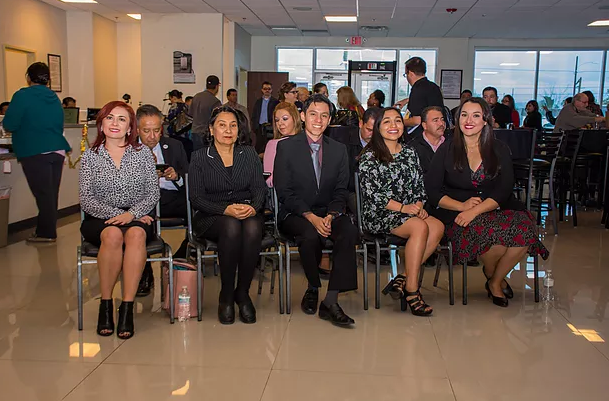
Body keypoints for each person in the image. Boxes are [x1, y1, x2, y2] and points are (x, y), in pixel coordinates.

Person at [425, 97, 549, 307]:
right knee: (491, 236)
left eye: (476, 115)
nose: (469, 120)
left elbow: (504, 188)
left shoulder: (499, 148)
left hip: (496, 206)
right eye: (464, 115)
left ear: (486, 120)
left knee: (525, 231)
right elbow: (433, 191)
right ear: (457, 120)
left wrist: (476, 210)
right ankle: (496, 279)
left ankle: (494, 281)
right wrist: (462, 207)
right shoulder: (446, 150)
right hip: (457, 212)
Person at [274, 94, 358, 327]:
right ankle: (312, 286)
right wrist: (310, 216)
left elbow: (342, 189)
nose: (318, 120)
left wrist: (330, 215)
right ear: (302, 116)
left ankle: (331, 300)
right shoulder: (286, 148)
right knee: (309, 235)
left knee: (349, 232)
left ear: (330, 119)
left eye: (324, 115)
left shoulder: (339, 150)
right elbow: (284, 191)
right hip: (296, 212)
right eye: (313, 114)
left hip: (328, 211)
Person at [79, 100, 160, 338]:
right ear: (101, 124)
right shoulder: (91, 156)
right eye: (110, 118)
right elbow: (86, 198)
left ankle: (126, 307)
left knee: (136, 234)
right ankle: (106, 304)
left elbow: (152, 192)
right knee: (113, 234)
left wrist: (132, 214)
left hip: (137, 214)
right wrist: (118, 215)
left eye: (122, 119)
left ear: (130, 127)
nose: (115, 123)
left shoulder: (142, 153)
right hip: (100, 217)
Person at [359, 107, 444, 316]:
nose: (393, 126)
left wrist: (419, 206)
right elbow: (373, 195)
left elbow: (419, 186)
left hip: (408, 211)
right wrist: (406, 209)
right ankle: (413, 290)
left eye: (397, 121)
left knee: (437, 226)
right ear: (378, 127)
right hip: (379, 212)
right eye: (386, 122)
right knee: (420, 227)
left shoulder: (409, 152)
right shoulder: (369, 156)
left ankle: (403, 277)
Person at [189, 106, 266, 324]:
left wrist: (253, 207)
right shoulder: (199, 157)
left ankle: (242, 293)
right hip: (211, 215)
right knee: (231, 226)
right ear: (211, 130)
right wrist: (225, 210)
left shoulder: (249, 154)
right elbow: (196, 198)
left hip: (246, 210)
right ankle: (226, 294)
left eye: (233, 125)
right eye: (222, 125)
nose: (228, 130)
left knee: (252, 227)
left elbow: (260, 190)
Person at [2, 62, 71, 242]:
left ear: (28, 77)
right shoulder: (54, 97)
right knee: (49, 193)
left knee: (43, 194)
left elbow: (9, 124)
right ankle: (44, 230)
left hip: (35, 149)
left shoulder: (22, 96)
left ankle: (47, 233)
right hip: (57, 149)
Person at [136, 104, 190, 297]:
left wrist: (176, 176)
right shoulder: (128, 150)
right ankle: (144, 270)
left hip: (171, 197)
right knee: (140, 219)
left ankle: (181, 256)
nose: (152, 136)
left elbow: (189, 175)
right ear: (137, 130)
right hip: (141, 200)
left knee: (200, 208)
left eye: (156, 130)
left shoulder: (175, 146)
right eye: (146, 131)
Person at [394, 57, 444, 138]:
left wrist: (399, 121)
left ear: (411, 73)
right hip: (436, 135)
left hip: (421, 138)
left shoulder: (417, 90)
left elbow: (417, 120)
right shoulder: (434, 87)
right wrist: (407, 100)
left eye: (405, 74)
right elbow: (427, 99)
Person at [347, 107, 380, 211]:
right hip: (353, 190)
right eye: (369, 130)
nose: (373, 135)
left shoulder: (383, 143)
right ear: (361, 124)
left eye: (377, 131)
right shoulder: (345, 142)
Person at [263, 102, 301, 186]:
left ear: (295, 118)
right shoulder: (273, 144)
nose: (280, 123)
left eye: (285, 119)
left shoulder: (306, 142)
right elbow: (269, 180)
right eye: (277, 120)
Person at [408, 106, 446, 174]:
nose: (441, 124)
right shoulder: (413, 148)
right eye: (435, 120)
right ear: (424, 125)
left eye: (442, 119)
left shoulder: (452, 144)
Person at [190, 75, 221, 150]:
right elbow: (218, 119)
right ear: (217, 86)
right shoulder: (215, 101)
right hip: (207, 134)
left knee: (198, 156)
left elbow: (190, 113)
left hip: (194, 132)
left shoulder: (196, 97)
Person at [251, 81, 279, 154]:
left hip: (270, 128)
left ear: (271, 90)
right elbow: (254, 115)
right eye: (265, 89)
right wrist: (255, 127)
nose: (267, 90)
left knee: (270, 147)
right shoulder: (258, 102)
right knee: (259, 148)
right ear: (262, 90)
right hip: (260, 128)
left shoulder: (275, 102)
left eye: (269, 89)